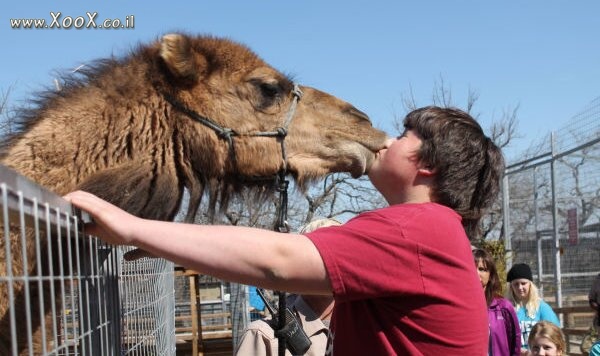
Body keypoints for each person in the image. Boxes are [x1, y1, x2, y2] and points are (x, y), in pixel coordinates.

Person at [65, 106, 505, 355]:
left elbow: (276, 260)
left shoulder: (417, 228)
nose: (387, 138)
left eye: (406, 133)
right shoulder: (435, 233)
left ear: (427, 164)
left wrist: (135, 228)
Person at [235, 218, 340, 356]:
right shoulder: (263, 337)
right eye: (316, 254)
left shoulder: (367, 328)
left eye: (338, 252)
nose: (328, 263)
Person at [473, 248, 521, 356]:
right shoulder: (459, 308)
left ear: (490, 275)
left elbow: (515, 345)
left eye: (482, 269)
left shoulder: (504, 308)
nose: (476, 273)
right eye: (472, 268)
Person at [507, 263, 561, 355]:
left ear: (530, 284)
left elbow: (555, 336)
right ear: (511, 286)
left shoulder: (542, 308)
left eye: (523, 283)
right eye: (516, 284)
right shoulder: (507, 309)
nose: (520, 287)